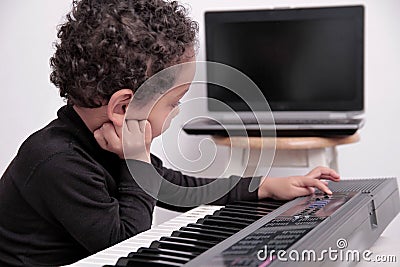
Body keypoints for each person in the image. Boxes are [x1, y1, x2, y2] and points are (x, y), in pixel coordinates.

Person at [0, 0, 340, 266]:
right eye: (173, 102)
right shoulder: (57, 161)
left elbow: (175, 186)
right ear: (122, 108)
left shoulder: (103, 142)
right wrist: (136, 158)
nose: (177, 112)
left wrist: (264, 186)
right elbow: (124, 242)